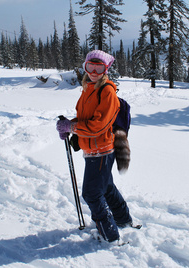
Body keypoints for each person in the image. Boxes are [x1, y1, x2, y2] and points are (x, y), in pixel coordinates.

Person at [56, 50, 132, 243]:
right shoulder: (88, 88)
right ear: (85, 67)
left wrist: (72, 127)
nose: (94, 72)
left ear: (106, 69)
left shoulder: (106, 92)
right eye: (91, 67)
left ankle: (110, 236)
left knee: (91, 193)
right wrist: (69, 125)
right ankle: (123, 220)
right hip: (93, 150)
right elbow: (85, 119)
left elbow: (98, 126)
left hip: (101, 151)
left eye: (99, 68)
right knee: (105, 187)